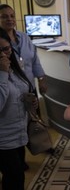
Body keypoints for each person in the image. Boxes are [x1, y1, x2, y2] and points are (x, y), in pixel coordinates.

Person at [0, 4, 53, 167]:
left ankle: (39, 144)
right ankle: (18, 159)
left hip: (28, 87)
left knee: (32, 120)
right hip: (9, 91)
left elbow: (35, 59)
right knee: (16, 122)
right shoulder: (2, 44)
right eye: (4, 16)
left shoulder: (24, 37)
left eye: (11, 15)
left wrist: (41, 78)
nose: (9, 19)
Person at [0, 27, 37, 190]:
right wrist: (2, 73)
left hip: (19, 134)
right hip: (3, 140)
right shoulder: (4, 68)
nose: (3, 54)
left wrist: (31, 101)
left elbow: (21, 89)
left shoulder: (13, 65)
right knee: (14, 178)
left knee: (17, 177)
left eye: (6, 49)